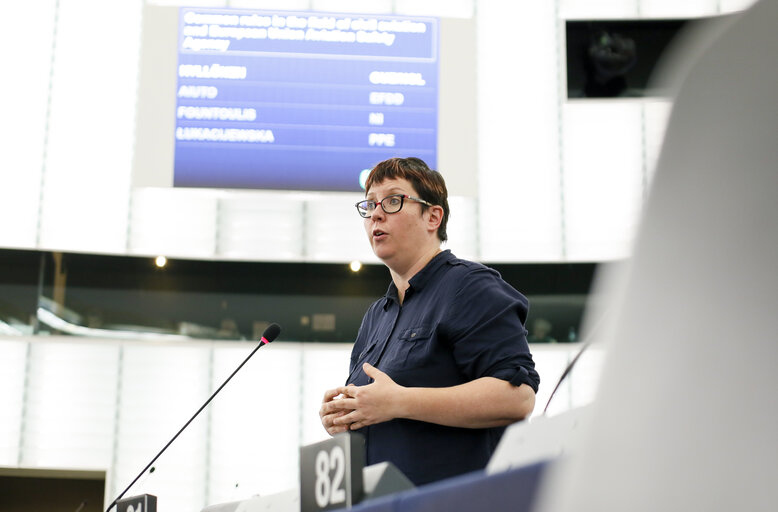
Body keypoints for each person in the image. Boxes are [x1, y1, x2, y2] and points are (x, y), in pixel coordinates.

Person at [319, 157, 540, 486]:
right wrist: (347, 417)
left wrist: (400, 401)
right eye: (369, 205)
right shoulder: (376, 316)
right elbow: (379, 411)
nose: (376, 214)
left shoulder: (469, 286)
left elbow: (517, 396)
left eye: (393, 201)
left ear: (433, 216)